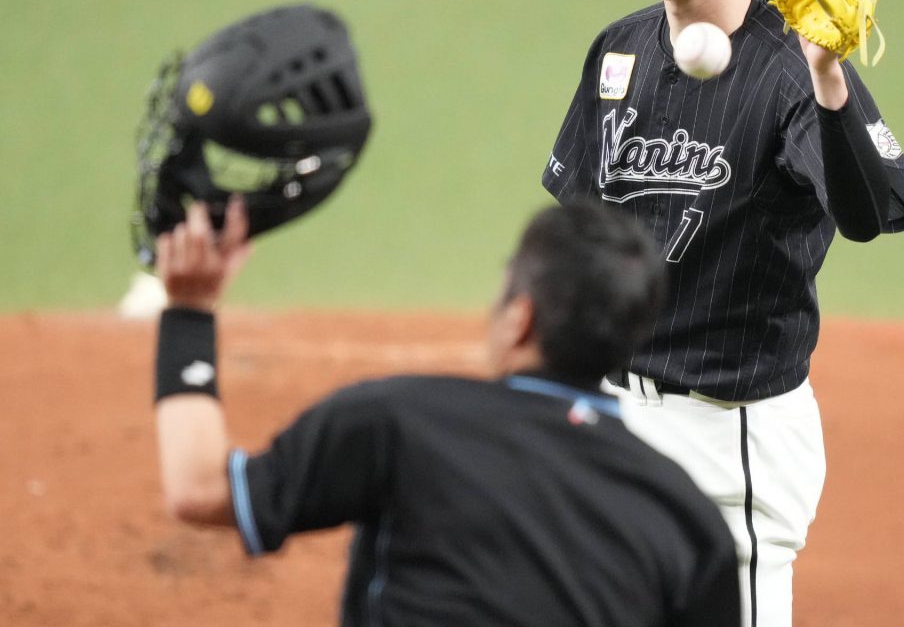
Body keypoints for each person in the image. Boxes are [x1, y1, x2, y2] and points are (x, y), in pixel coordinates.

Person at [541, 0, 904, 627]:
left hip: (732, 437)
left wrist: (831, 76)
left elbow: (874, 210)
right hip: (615, 418)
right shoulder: (619, 51)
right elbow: (582, 226)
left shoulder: (794, 62)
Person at [151, 195, 742, 626]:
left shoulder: (399, 423)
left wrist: (189, 311)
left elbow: (198, 487)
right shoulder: (686, 518)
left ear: (521, 319)